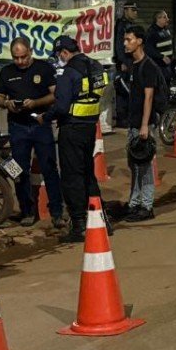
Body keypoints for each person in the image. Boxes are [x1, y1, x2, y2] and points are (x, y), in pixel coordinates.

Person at [41, 36, 109, 242]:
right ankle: (100, 219)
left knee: (72, 177)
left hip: (71, 129)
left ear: (64, 52)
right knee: (88, 173)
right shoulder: (96, 66)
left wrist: (45, 117)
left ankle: (79, 225)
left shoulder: (69, 73)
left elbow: (61, 107)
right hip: (90, 127)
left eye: (59, 55)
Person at [0, 37, 64, 228]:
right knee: (18, 171)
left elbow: (55, 94)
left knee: (49, 168)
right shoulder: (6, 72)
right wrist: (7, 103)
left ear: (30, 52)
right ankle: (26, 211)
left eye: (23, 57)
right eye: (16, 58)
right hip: (17, 127)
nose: (20, 61)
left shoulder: (44, 68)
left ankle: (57, 211)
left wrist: (36, 103)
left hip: (40, 125)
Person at [123, 26, 162, 222]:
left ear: (139, 41)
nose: (125, 43)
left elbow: (149, 98)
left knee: (145, 167)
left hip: (144, 124)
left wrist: (145, 126)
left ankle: (146, 206)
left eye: (129, 39)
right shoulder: (133, 64)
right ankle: (134, 202)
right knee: (134, 165)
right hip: (134, 124)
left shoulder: (148, 66)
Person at [113, 2, 139, 128]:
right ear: (126, 10)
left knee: (129, 88)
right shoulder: (121, 25)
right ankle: (121, 118)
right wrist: (122, 61)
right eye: (133, 10)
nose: (136, 13)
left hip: (130, 60)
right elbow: (119, 44)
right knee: (122, 90)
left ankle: (128, 116)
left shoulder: (130, 25)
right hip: (124, 62)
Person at [145, 10, 175, 84]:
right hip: (158, 66)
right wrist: (161, 57)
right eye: (165, 17)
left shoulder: (166, 30)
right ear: (158, 19)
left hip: (167, 66)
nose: (167, 19)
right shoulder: (152, 32)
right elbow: (148, 49)